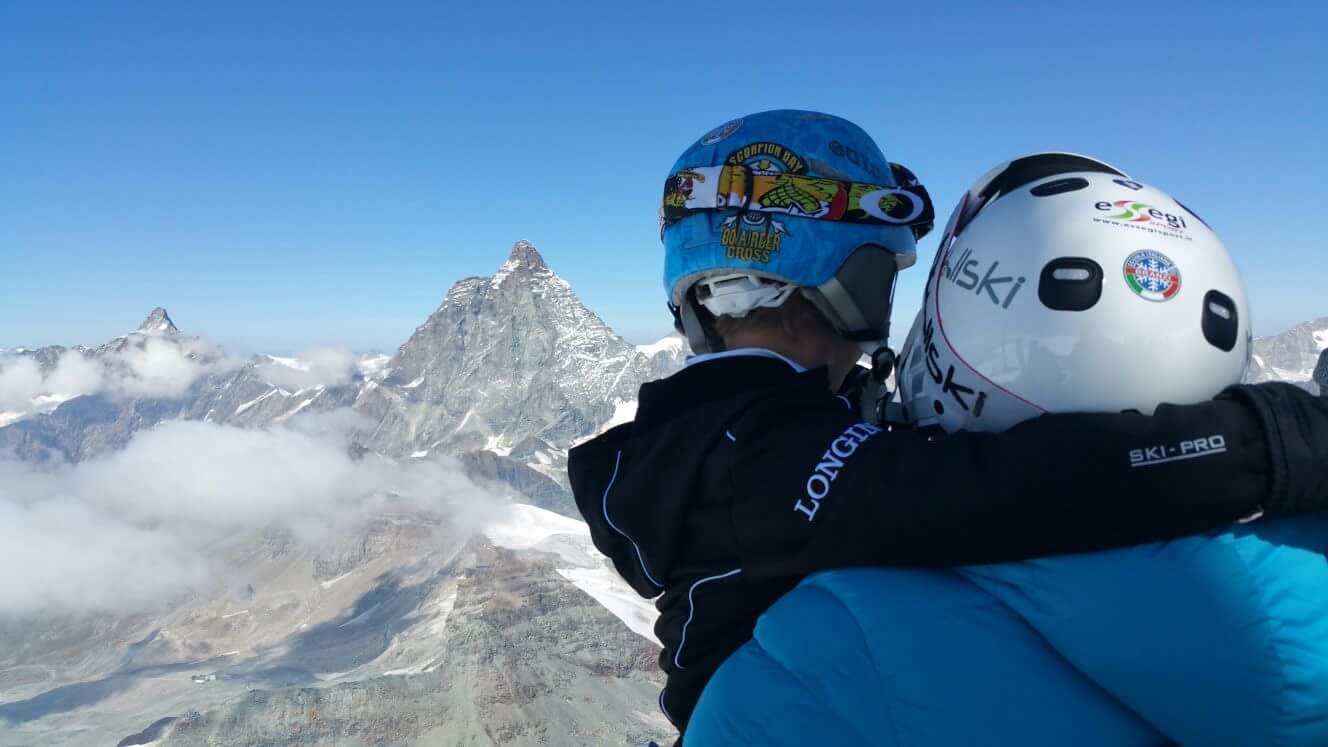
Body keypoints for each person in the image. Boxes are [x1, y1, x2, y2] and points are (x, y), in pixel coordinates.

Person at [565, 110, 1328, 742]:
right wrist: (1266, 443)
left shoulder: (714, 436)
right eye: (883, 271)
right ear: (829, 284)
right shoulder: (758, 457)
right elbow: (992, 492)